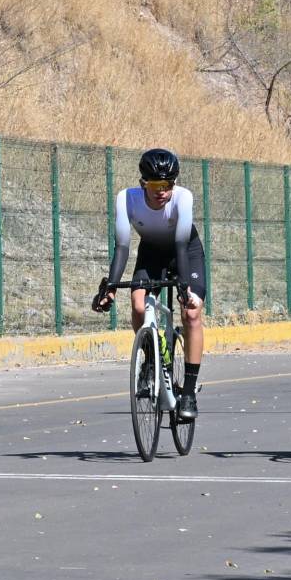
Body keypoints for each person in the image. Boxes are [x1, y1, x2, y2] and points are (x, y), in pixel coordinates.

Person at [92, 147, 206, 421]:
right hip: (151, 253)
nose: (162, 192)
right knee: (138, 305)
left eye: (168, 185)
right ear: (143, 183)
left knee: (192, 313)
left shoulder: (183, 198)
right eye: (156, 186)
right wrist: (111, 287)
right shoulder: (126, 198)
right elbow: (122, 246)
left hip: (185, 253)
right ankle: (152, 359)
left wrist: (184, 287)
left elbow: (181, 244)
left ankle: (188, 392)